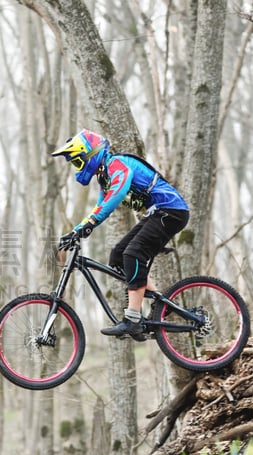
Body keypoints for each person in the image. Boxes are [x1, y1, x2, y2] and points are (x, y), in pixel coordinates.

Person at [51, 129, 189, 341]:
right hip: (158, 213)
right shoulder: (105, 177)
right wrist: (75, 231)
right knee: (118, 255)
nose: (77, 168)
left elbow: (113, 199)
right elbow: (99, 208)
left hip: (171, 211)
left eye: (78, 162)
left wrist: (86, 227)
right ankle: (161, 303)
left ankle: (132, 319)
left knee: (133, 254)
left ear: (90, 154)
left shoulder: (117, 165)